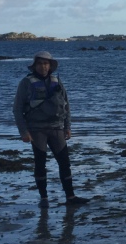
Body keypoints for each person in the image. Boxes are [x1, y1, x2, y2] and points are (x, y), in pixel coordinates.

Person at [13, 51, 88, 207]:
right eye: (40, 63)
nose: (43, 66)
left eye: (46, 63)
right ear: (35, 66)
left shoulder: (57, 81)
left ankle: (70, 197)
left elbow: (66, 105)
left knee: (64, 162)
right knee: (40, 163)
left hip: (56, 129)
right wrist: (23, 132)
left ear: (51, 65)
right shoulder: (26, 83)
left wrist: (67, 127)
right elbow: (17, 109)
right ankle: (44, 198)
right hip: (37, 130)